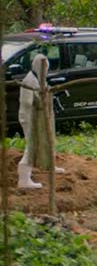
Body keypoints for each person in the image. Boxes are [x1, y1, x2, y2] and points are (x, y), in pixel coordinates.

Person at [17, 55, 44, 189]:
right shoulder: (29, 80)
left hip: (33, 117)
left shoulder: (35, 78)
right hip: (28, 117)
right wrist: (39, 99)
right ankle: (24, 179)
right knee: (31, 146)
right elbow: (27, 101)